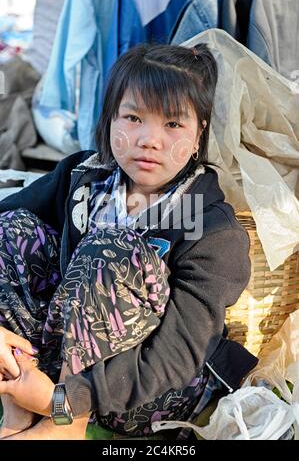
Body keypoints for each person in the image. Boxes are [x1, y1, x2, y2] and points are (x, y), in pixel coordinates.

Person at [0, 43, 258, 440]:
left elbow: (177, 357)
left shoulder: (211, 228)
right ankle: (18, 401)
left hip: (145, 394)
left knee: (112, 250)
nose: (149, 139)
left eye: (173, 124)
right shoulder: (84, 176)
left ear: (199, 132)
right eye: (133, 117)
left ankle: (63, 423)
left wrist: (70, 400)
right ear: (110, 121)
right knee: (13, 229)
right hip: (53, 367)